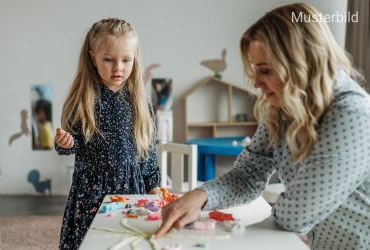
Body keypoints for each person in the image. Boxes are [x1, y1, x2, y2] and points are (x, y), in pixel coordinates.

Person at [156, 3, 370, 250]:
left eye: (265, 71)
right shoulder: (282, 107)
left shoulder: (353, 115)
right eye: (255, 70)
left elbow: (294, 216)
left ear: (302, 64)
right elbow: (248, 176)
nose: (256, 83)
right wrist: (201, 196)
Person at [54, 18, 161, 249]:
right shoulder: (82, 101)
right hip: (92, 192)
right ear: (93, 57)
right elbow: (72, 144)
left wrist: (154, 186)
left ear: (135, 58)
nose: (118, 68)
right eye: (109, 60)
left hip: (132, 190)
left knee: (129, 240)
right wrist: (65, 142)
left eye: (126, 60)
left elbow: (148, 152)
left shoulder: (141, 103)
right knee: (93, 241)